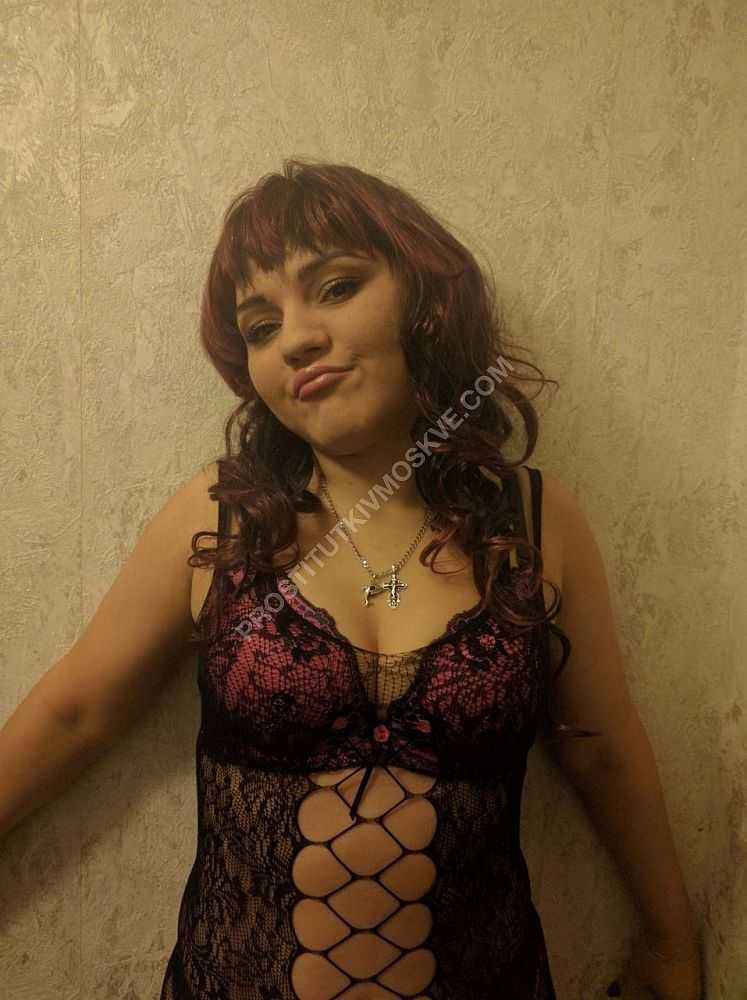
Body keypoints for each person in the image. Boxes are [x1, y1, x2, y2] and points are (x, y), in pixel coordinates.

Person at [0, 159, 702, 1000]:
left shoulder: (537, 523)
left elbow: (599, 747)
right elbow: (77, 714)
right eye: (260, 326)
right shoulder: (217, 522)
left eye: (335, 288)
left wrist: (669, 941)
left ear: (424, 301)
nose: (295, 339)